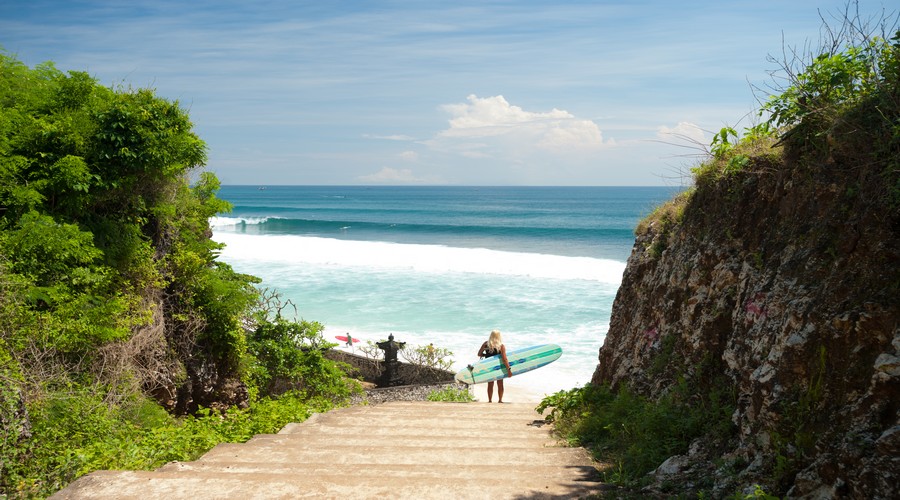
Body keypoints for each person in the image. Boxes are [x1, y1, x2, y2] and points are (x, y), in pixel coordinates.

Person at [477, 330, 512, 403]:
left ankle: (490, 400)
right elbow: (504, 358)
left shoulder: (486, 344)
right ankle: (500, 400)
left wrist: (486, 355)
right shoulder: (501, 346)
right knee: (500, 383)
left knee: (490, 383)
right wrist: (508, 369)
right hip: (498, 367)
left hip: (489, 367)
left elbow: (479, 354)